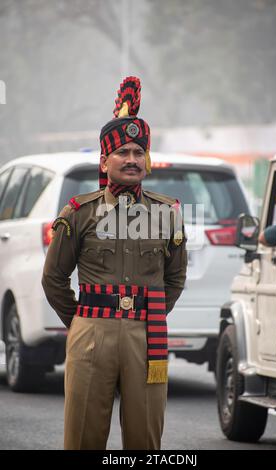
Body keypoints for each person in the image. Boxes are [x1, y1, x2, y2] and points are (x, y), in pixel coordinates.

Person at [42, 76, 187, 450]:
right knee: (83, 437)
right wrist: (81, 322)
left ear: (147, 161)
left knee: (145, 441)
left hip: (146, 334)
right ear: (105, 161)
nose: (132, 160)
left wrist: (149, 312)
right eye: (123, 152)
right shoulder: (79, 213)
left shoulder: (167, 213)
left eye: (139, 153)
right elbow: (54, 278)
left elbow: (175, 276)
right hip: (92, 332)